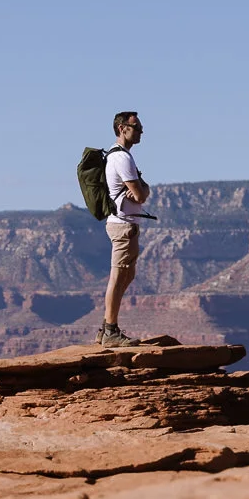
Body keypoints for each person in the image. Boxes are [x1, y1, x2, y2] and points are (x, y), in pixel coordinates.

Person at [97, 111, 152, 347]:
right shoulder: (122, 158)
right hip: (123, 225)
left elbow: (139, 193)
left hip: (126, 224)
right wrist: (144, 189)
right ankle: (110, 331)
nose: (140, 131)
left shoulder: (122, 156)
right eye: (136, 127)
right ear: (122, 128)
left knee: (126, 275)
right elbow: (140, 195)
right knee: (118, 275)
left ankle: (106, 328)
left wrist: (142, 190)